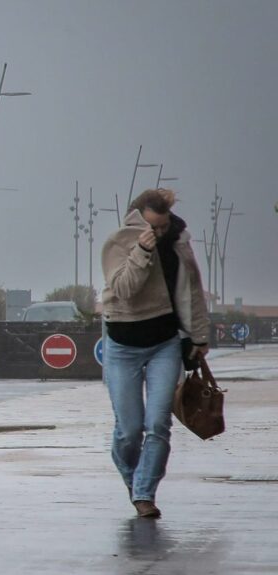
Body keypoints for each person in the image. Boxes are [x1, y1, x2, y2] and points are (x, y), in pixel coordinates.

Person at [100, 188, 209, 519]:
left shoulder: (177, 241)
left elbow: (192, 289)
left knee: (158, 422)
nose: (159, 233)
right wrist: (142, 253)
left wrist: (199, 337)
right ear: (137, 220)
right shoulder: (118, 243)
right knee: (129, 429)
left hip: (165, 343)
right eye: (153, 227)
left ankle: (145, 493)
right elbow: (124, 291)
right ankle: (133, 481)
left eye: (163, 226)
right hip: (122, 345)